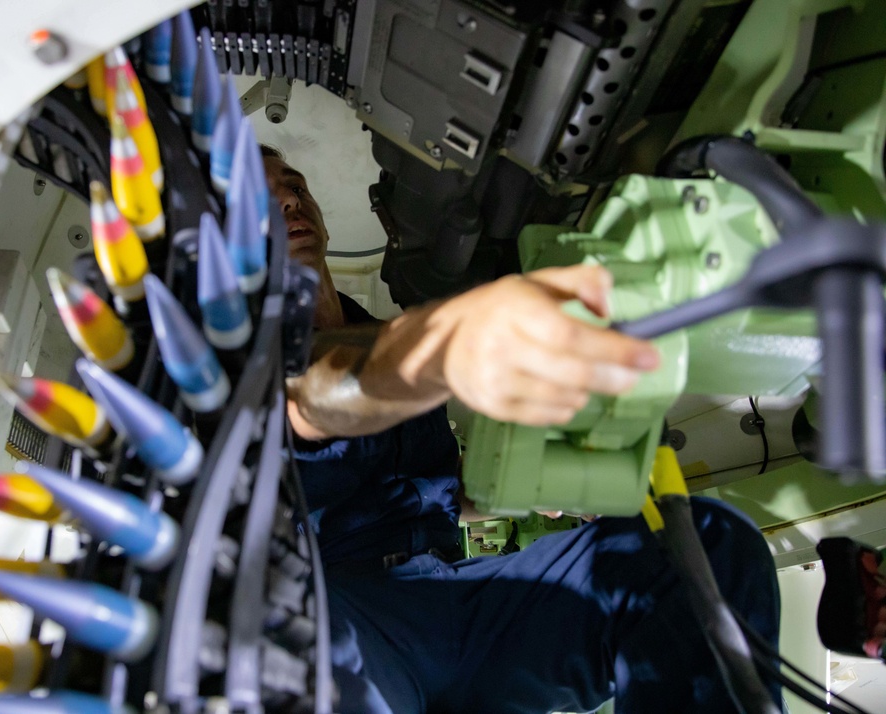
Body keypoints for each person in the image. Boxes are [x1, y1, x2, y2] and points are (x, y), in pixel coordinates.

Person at [261, 146, 781, 713]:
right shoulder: (238, 360)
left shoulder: (384, 332)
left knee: (710, 549)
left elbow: (443, 493)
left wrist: (521, 478)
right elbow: (306, 390)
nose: (290, 197)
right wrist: (454, 342)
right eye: (262, 193)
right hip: (344, 612)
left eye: (295, 183)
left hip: (461, 596)